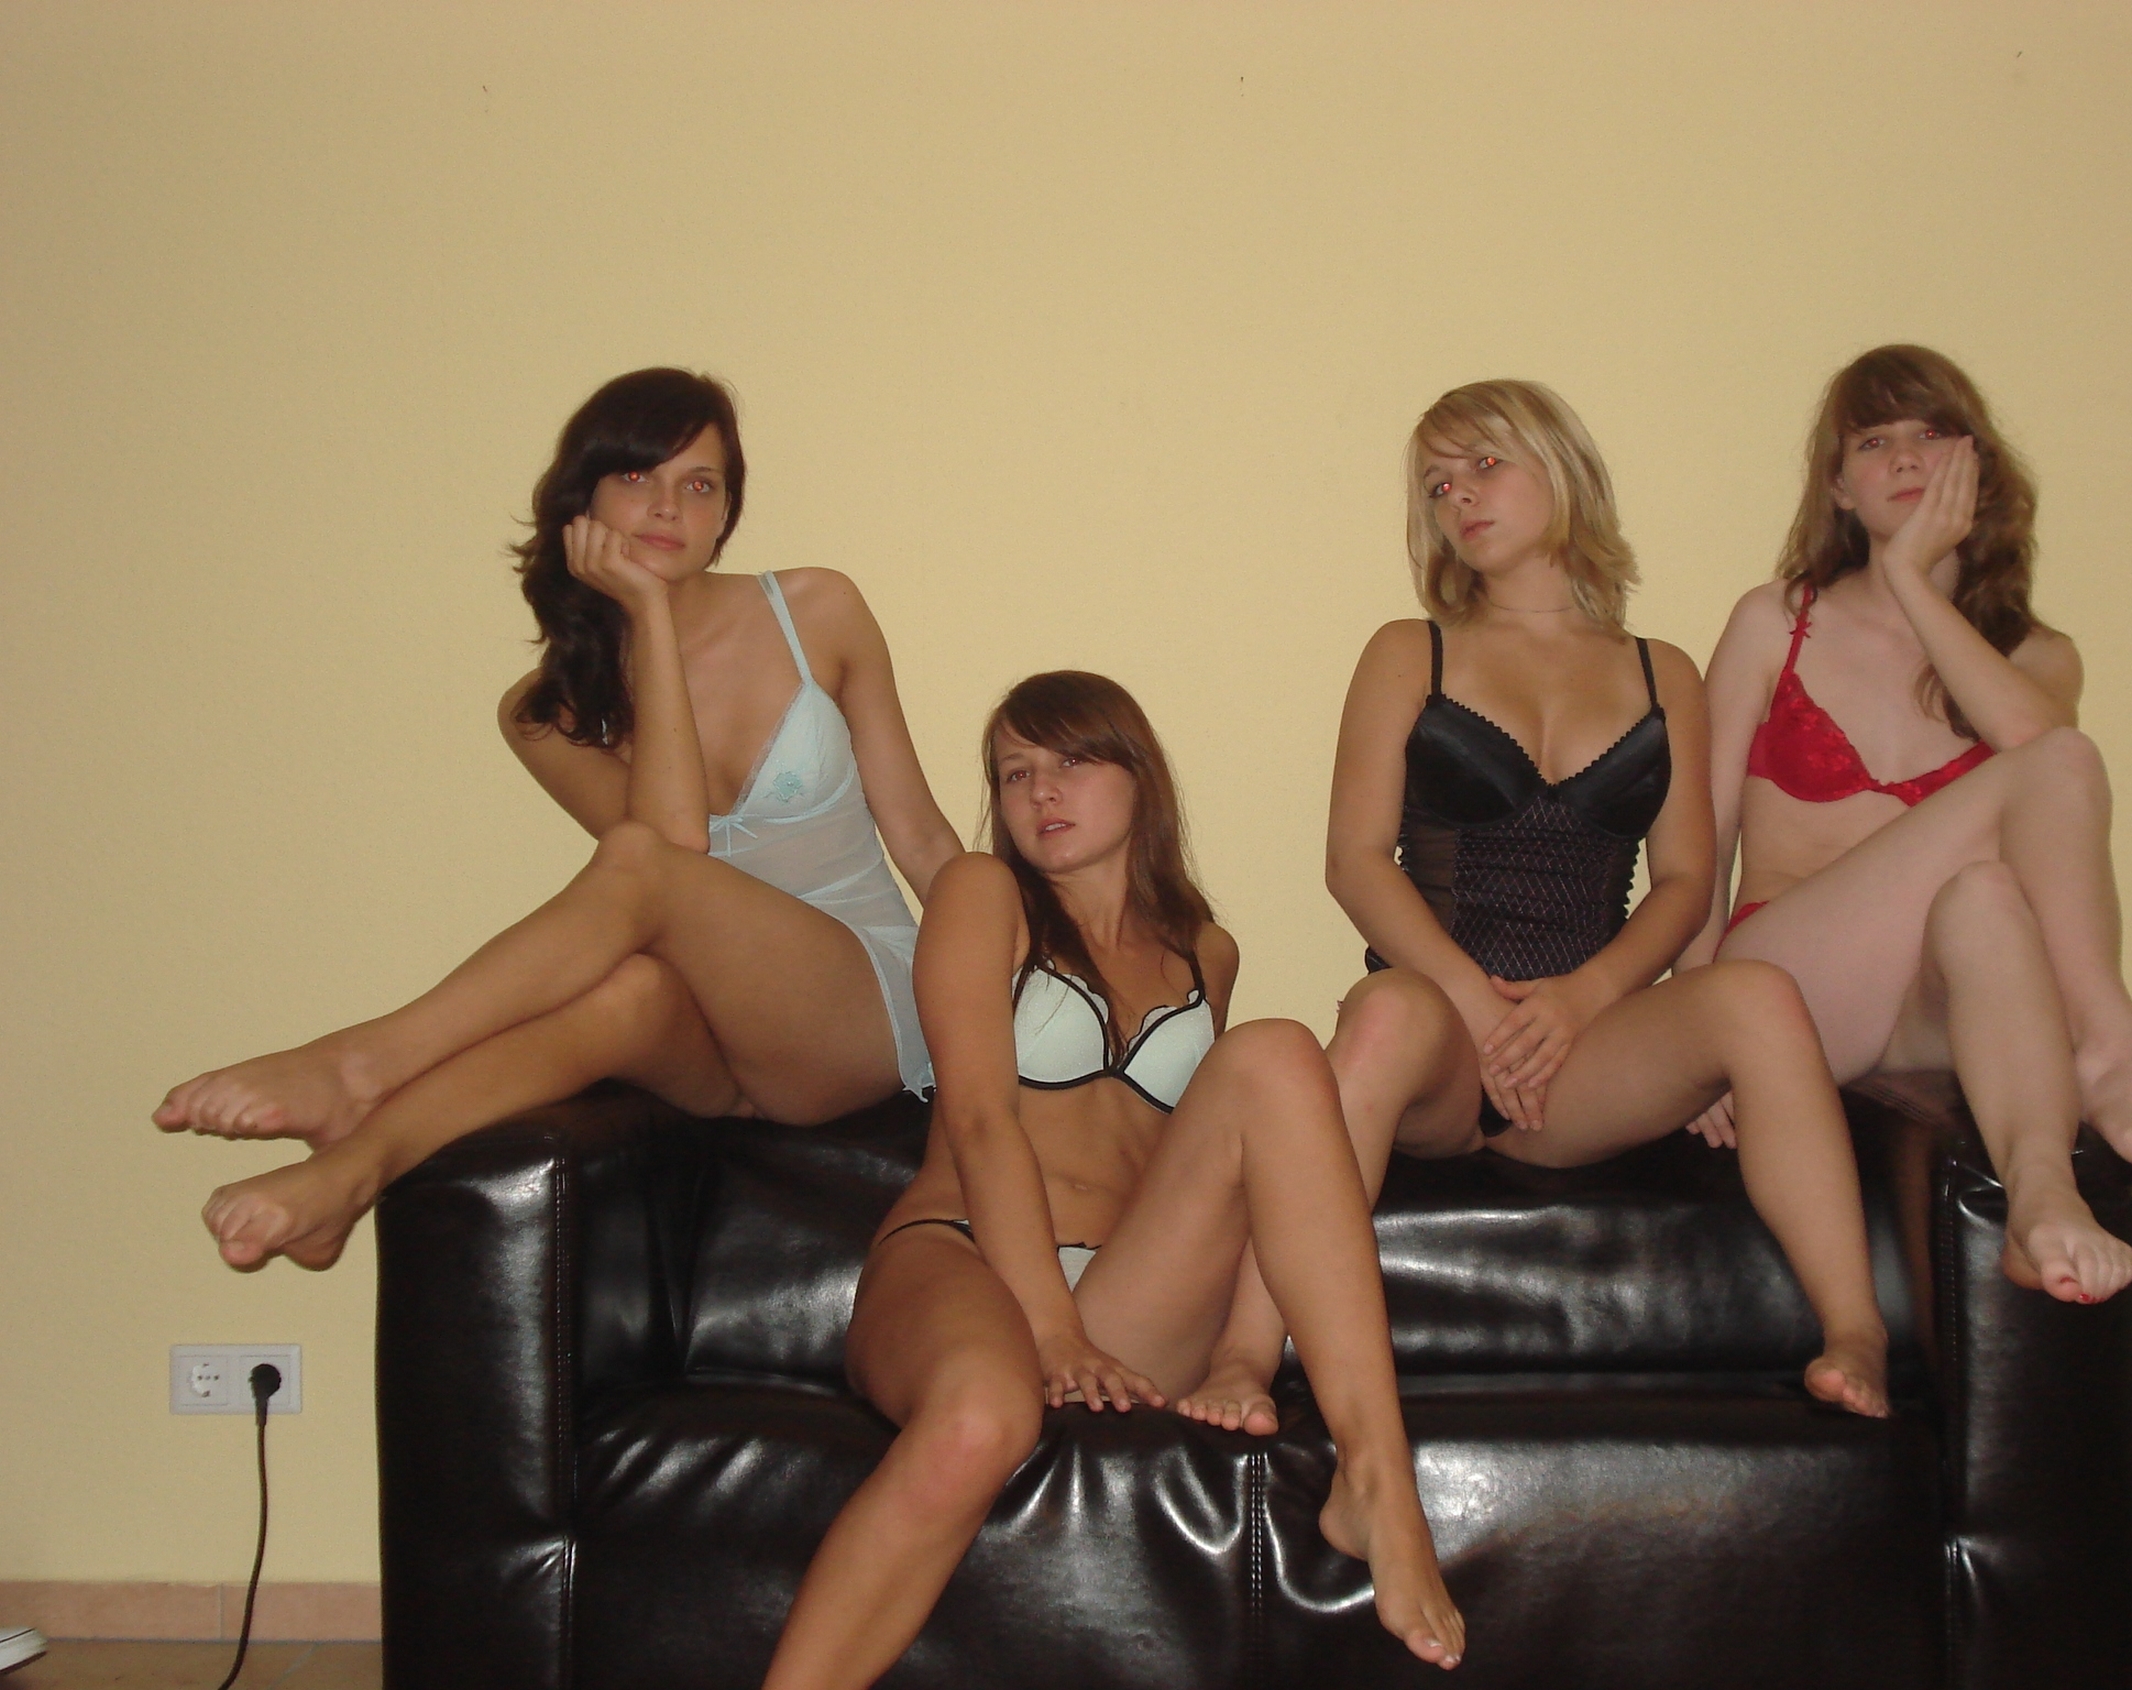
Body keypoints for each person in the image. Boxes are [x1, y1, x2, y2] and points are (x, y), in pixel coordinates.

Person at [1175, 379, 1893, 1439]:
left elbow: (1685, 879)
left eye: (1483, 465)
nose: (1458, 497)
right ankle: (1243, 1353)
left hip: (1582, 1047)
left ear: (1560, 468)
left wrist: (1586, 999)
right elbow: (1355, 862)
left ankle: (1856, 1336)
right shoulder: (1407, 651)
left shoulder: (1664, 673)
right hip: (1438, 1031)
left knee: (1759, 998)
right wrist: (1473, 1001)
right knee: (1381, 1017)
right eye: (1436, 485)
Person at [154, 368, 962, 1269]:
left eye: (700, 485)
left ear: (726, 515)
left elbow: (910, 838)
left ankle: (360, 1065)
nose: (668, 507)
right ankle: (349, 1175)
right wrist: (649, 626)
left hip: (859, 1006)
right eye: (637, 477)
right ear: (583, 500)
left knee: (636, 863)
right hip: (721, 1053)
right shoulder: (542, 713)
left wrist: (1025, 982)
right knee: (623, 994)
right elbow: (673, 846)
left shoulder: (816, 610)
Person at [756, 672, 1465, 1688]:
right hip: (964, 1258)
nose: (1040, 790)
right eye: (1014, 773)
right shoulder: (982, 894)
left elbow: (1215, 1165)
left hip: (1125, 1299)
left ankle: (1380, 1483)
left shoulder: (1207, 952)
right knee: (981, 1418)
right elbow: (980, 1119)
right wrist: (1049, 1330)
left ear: (1142, 778)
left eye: (1072, 761)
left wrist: (1216, 1346)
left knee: (1273, 1052)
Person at [1681, 344, 2132, 1304]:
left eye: (1933, 433)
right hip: (1791, 989)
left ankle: (2041, 1195)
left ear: (1978, 467)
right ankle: (2108, 1049)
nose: (1906, 456)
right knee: (2057, 763)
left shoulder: (2036, 656)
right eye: (1873, 441)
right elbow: (1704, 832)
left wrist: (1912, 580)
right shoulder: (1775, 621)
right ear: (1839, 489)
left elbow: (2036, 746)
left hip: (1930, 1009)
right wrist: (1692, 1032)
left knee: (1986, 896)